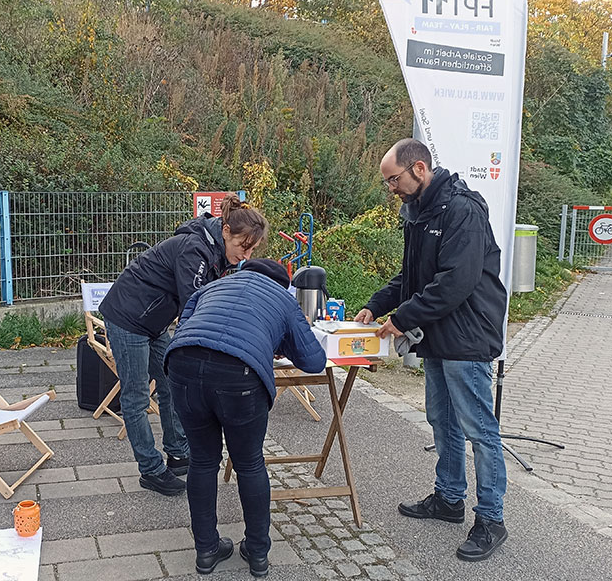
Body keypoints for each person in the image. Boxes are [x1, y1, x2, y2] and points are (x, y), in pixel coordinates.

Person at [355, 138, 509, 562]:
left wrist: (402, 319)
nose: (391, 189)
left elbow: (454, 283)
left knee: (479, 428)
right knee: (441, 419)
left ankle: (491, 519)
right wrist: (375, 304)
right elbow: (412, 276)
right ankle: (448, 498)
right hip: (439, 335)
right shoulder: (419, 213)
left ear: (419, 169)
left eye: (394, 180)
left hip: (468, 336)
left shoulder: (463, 209)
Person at [165, 258, 327, 576]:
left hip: (182, 364)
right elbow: (313, 361)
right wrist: (276, 340)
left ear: (241, 272)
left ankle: (206, 551)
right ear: (285, 285)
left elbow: (185, 325)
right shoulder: (283, 298)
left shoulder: (211, 287)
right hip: (239, 376)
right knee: (249, 463)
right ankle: (257, 553)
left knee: (202, 461)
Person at [99, 195, 268, 497]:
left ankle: (177, 451)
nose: (246, 255)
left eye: (252, 250)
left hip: (153, 320)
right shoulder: (195, 249)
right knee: (136, 396)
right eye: (244, 246)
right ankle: (150, 469)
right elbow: (197, 303)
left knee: (171, 384)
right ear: (226, 231)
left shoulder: (215, 250)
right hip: (127, 316)